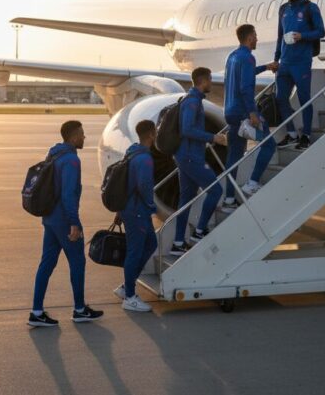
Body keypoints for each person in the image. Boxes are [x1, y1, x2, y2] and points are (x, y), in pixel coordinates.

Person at [28, 120, 104, 327]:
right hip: (64, 220)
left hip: (50, 219)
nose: (84, 137)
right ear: (72, 137)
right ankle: (80, 309)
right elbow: (68, 195)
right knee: (77, 263)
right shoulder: (70, 160)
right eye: (81, 134)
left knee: (46, 264)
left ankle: (36, 311)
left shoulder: (54, 154)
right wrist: (74, 223)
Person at [221, 24, 279, 211]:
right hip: (243, 113)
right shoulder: (248, 58)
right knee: (269, 145)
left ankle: (229, 200)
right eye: (255, 35)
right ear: (249, 38)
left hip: (229, 113)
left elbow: (243, 76)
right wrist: (253, 113)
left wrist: (266, 67)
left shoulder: (233, 57)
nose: (257, 38)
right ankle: (252, 182)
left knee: (234, 157)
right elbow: (246, 88)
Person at [172, 67, 228, 254]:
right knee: (216, 190)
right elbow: (187, 129)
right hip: (190, 157)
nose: (211, 83)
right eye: (210, 80)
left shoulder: (192, 100)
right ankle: (199, 230)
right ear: (203, 81)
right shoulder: (193, 102)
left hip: (187, 156)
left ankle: (178, 244)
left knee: (186, 199)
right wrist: (213, 137)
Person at [273, 0, 325, 151]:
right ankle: (292, 134)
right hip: (285, 61)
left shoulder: (310, 8)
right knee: (280, 98)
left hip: (302, 61)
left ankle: (306, 135)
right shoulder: (283, 9)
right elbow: (280, 36)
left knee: (304, 99)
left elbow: (321, 32)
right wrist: (276, 58)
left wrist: (302, 36)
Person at [111, 120, 159, 312]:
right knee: (135, 251)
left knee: (151, 244)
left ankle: (126, 286)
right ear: (151, 134)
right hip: (137, 211)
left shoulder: (132, 152)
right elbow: (144, 186)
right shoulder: (144, 159)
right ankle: (130, 296)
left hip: (131, 209)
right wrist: (151, 205)